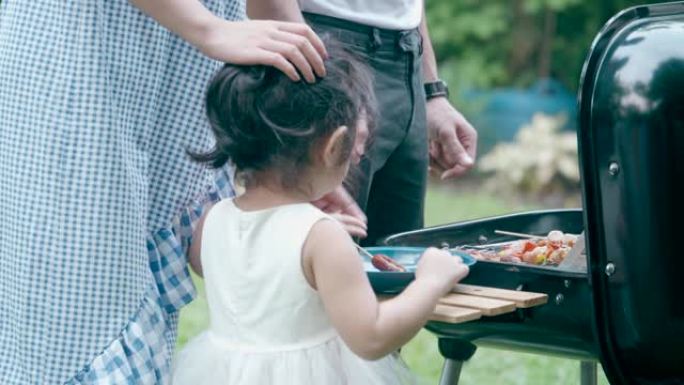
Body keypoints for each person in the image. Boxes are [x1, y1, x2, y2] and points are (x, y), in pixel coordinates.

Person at [0, 1, 346, 383]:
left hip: (175, 62)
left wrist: (310, 162)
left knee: (131, 295)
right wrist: (209, 29)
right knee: (73, 309)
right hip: (84, 57)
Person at [172, 40, 470, 385]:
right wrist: (430, 282)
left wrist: (305, 246)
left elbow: (252, 270)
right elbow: (371, 337)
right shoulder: (322, 235)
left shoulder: (210, 220)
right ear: (333, 146)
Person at [249, 0, 479, 245]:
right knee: (323, 256)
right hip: (323, 49)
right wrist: (328, 86)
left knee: (399, 263)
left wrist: (431, 91)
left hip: (407, 55)